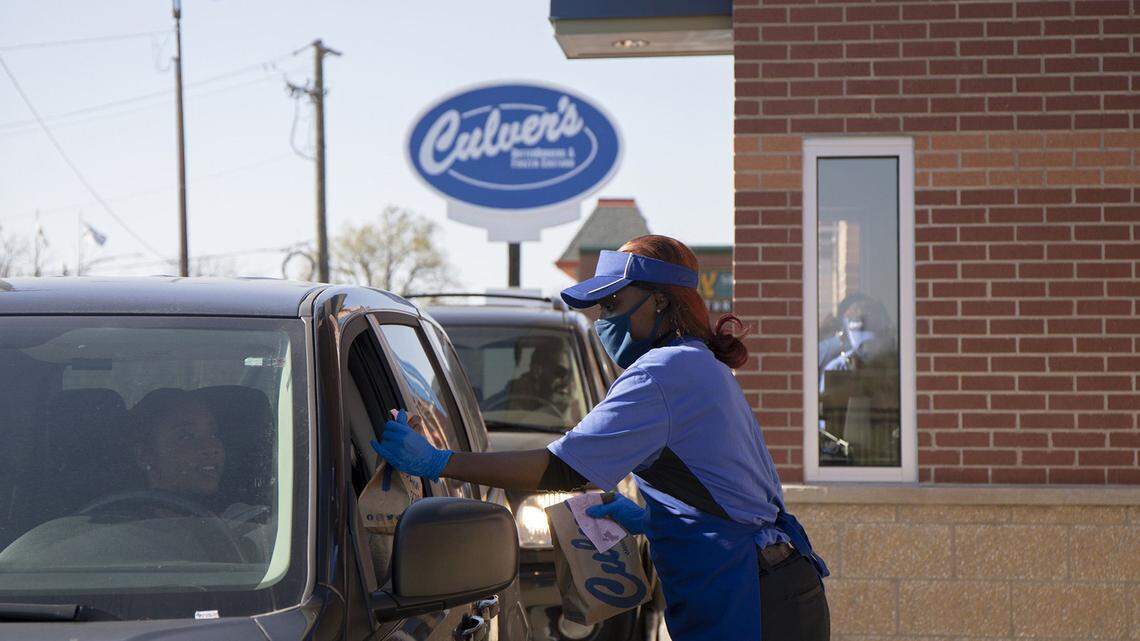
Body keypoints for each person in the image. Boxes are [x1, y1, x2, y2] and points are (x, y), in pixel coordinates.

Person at [372, 235, 830, 641]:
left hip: (749, 598)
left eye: (612, 305)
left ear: (660, 301)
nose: (602, 320)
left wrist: (438, 462)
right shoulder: (698, 363)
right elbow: (730, 491)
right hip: (768, 584)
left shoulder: (662, 373)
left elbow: (559, 468)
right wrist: (652, 520)